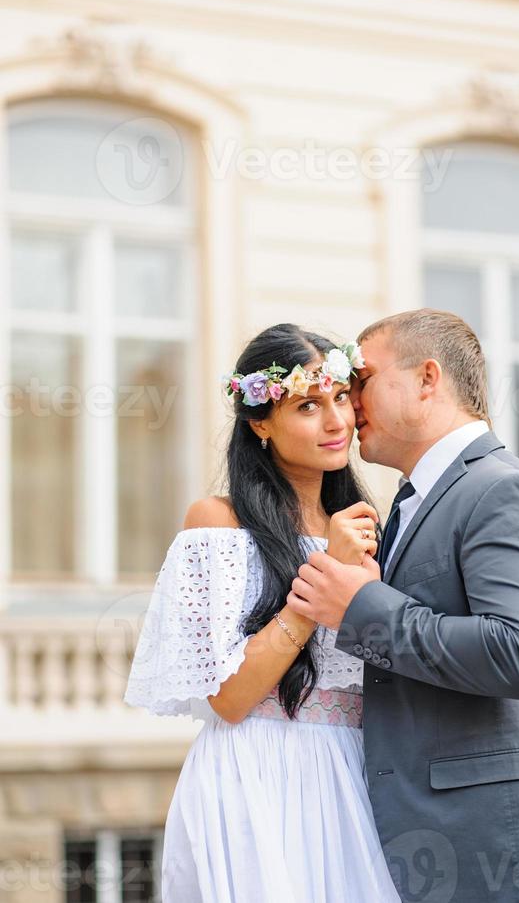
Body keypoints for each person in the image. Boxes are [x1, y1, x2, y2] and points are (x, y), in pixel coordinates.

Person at [287, 308, 519, 903]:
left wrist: (361, 606)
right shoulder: (417, 500)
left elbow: (517, 654)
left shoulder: (502, 489)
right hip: (423, 841)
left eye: (362, 380)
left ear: (427, 379)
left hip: (495, 848)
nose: (348, 400)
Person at [123, 323, 401, 903]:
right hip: (256, 777)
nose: (337, 422)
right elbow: (229, 698)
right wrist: (325, 575)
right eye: (307, 405)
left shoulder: (368, 524)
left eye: (341, 398)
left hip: (356, 778)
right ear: (260, 423)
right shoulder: (219, 524)